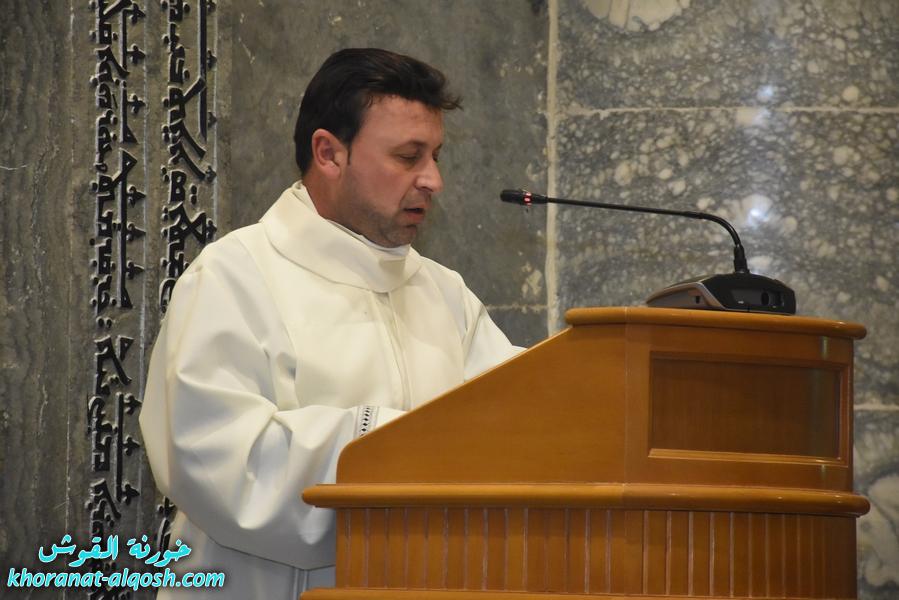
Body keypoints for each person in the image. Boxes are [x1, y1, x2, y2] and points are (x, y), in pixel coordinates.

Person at [139, 48, 520, 598]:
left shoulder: (444, 293)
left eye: (436, 156)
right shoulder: (234, 277)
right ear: (329, 153)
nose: (433, 180)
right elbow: (214, 461)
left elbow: (520, 421)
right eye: (408, 157)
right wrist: (392, 441)